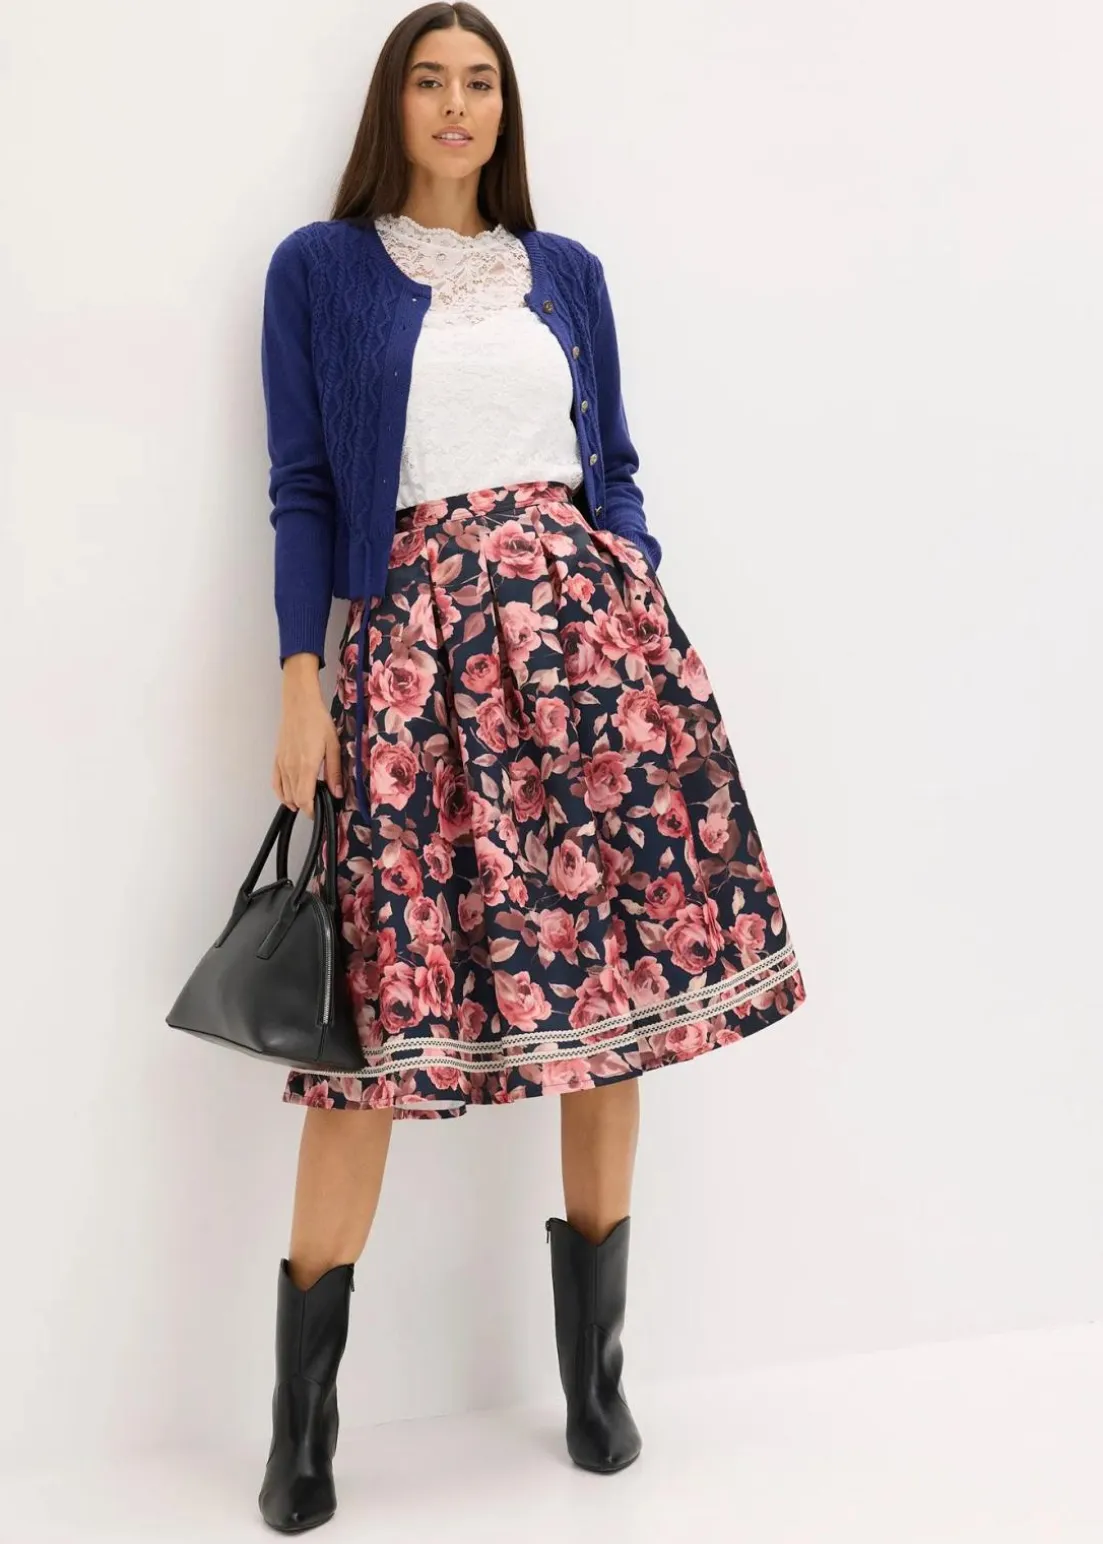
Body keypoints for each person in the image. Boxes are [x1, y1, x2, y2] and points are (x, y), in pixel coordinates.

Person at [256, 2, 807, 1531]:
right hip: (415, 661)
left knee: (610, 1005)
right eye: (429, 81)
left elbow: (610, 465)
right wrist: (301, 680)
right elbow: (304, 488)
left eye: (480, 82)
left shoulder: (564, 273)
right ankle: (303, 1427)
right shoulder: (320, 269)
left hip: (593, 658)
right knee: (372, 1026)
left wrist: (634, 594)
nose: (456, 104)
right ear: (393, 104)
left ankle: (594, 1382)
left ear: (505, 110)